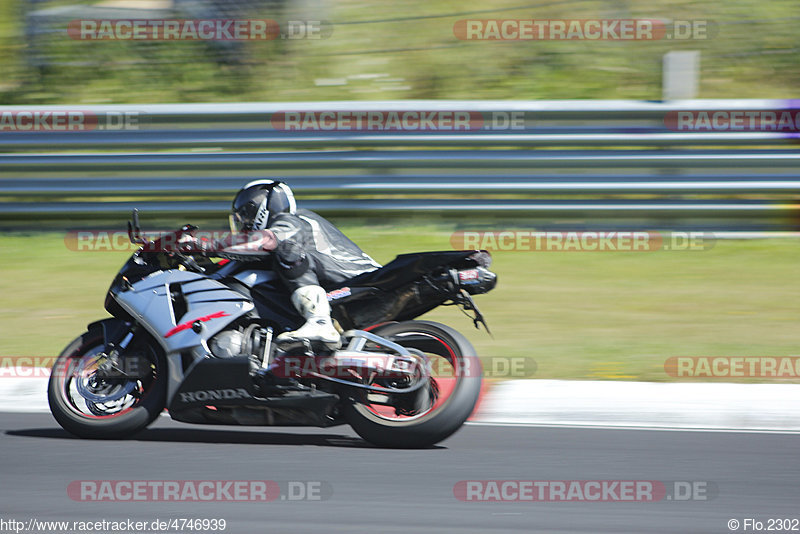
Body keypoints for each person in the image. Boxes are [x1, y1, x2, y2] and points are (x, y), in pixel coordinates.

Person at [186, 180, 381, 348]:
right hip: (343, 282)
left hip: (357, 280)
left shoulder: (292, 220)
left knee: (287, 251)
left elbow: (267, 241)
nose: (243, 224)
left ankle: (320, 322)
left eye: (245, 216)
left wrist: (207, 245)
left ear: (260, 209)